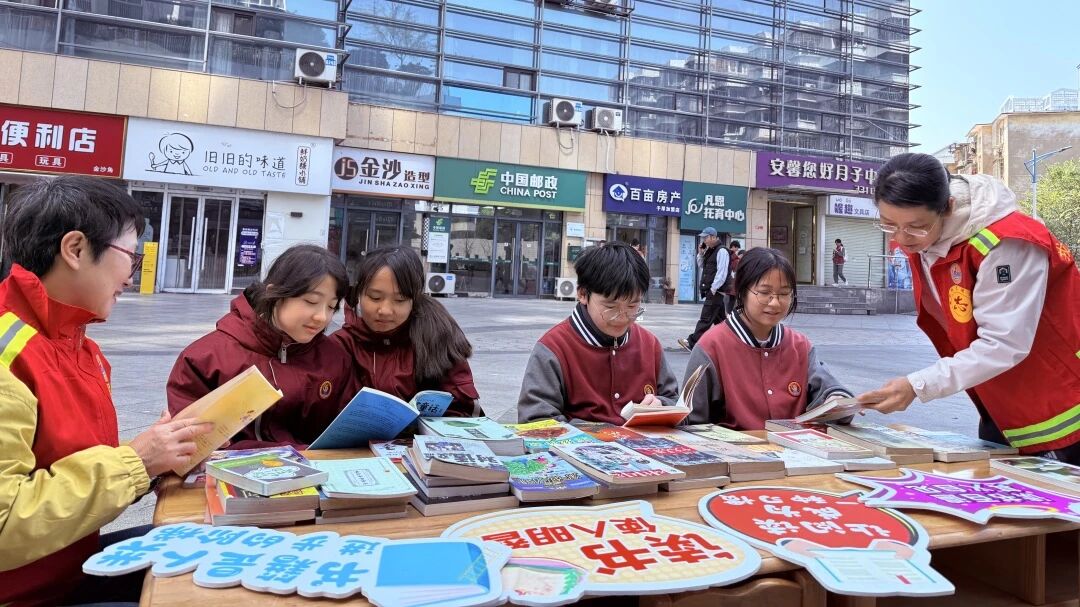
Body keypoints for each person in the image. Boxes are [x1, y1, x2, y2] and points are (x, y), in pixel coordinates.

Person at [0, 176, 213, 606]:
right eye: (131, 258)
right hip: (23, 593)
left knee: (214, 547)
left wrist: (156, 457)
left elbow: (70, 466)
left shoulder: (79, 347)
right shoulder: (9, 357)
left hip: (62, 567)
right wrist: (137, 461)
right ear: (75, 249)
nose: (131, 278)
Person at [857, 153, 1080, 463]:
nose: (902, 238)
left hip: (1062, 404)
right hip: (1000, 403)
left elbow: (1004, 343)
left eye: (916, 227)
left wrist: (917, 385)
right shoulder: (929, 240)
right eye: (889, 225)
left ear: (948, 207)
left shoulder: (1006, 243)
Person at [167, 244, 353, 450]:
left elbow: (340, 434)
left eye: (331, 306)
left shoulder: (335, 359)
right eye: (311, 301)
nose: (322, 317)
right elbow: (189, 444)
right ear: (274, 294)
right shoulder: (204, 358)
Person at [685, 247, 852, 429]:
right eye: (764, 293)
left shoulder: (800, 346)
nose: (775, 302)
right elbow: (690, 421)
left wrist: (838, 400)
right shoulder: (711, 347)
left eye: (784, 294)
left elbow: (827, 388)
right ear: (742, 291)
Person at [518, 241, 678, 425]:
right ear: (583, 294)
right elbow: (536, 422)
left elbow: (674, 401)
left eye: (632, 306)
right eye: (610, 307)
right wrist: (602, 433)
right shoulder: (554, 348)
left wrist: (661, 406)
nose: (622, 318)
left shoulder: (649, 344)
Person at [333, 245, 481, 416]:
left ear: (414, 299)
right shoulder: (340, 346)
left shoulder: (438, 335)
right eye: (375, 297)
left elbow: (463, 409)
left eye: (400, 300)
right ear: (359, 294)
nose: (385, 310)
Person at [678, 227, 730, 351]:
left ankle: (692, 342)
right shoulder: (710, 251)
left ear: (713, 237)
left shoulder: (722, 251)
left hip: (716, 291)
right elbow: (702, 266)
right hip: (713, 291)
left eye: (705, 237)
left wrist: (713, 289)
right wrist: (700, 254)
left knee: (705, 318)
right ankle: (731, 342)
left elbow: (722, 273)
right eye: (703, 238)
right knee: (721, 322)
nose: (704, 240)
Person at [722, 240, 742, 315]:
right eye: (737, 248)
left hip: (727, 281)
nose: (737, 250)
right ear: (733, 246)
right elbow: (735, 268)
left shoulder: (726, 254)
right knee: (731, 300)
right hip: (731, 282)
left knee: (729, 300)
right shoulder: (733, 257)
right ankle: (728, 315)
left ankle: (727, 314)